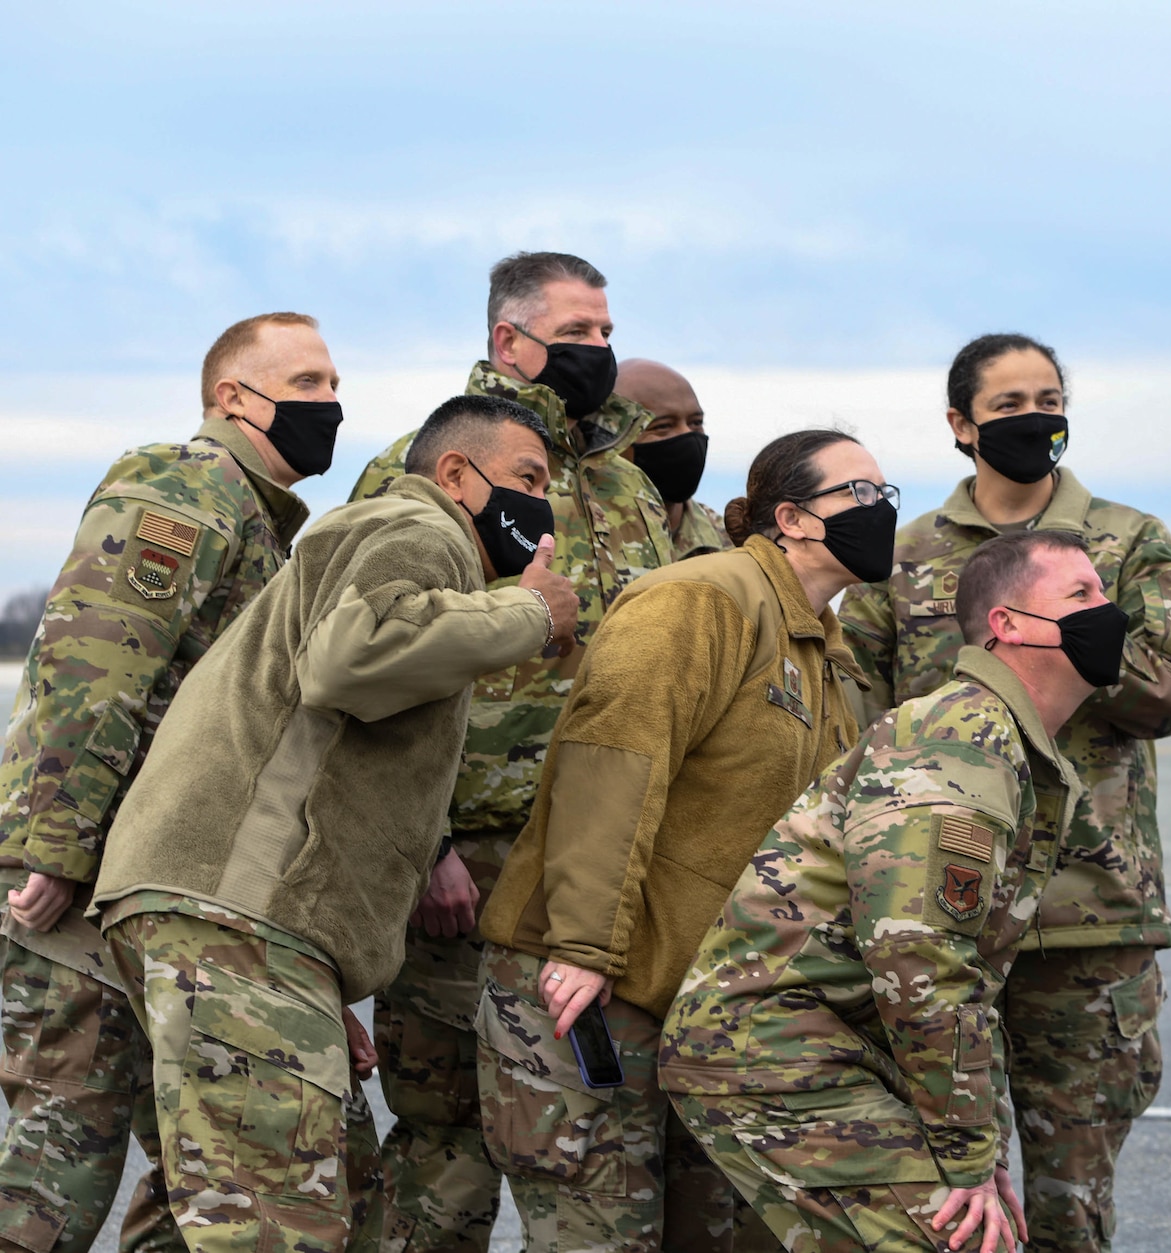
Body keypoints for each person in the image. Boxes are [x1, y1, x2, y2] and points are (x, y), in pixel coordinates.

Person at [89, 393, 580, 1252]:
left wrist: (314, 974)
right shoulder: (417, 527)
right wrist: (533, 614)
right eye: (528, 479)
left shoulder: (407, 547)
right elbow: (352, 656)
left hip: (236, 920)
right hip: (237, 916)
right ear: (458, 476)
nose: (542, 507)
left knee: (313, 1194)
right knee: (277, 1219)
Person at [838, 332, 1171, 1251]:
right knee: (945, 1198)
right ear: (962, 425)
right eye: (1008, 405)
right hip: (941, 914)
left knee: (1067, 1206)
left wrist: (1083, 634)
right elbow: (859, 719)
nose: (1034, 418)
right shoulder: (909, 555)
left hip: (1086, 914)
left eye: (1048, 398)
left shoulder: (1126, 543)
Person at [474, 429, 890, 1252]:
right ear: (794, 517)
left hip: (705, 1013)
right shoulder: (702, 598)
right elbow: (614, 764)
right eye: (862, 495)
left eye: (888, 497)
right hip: (585, 987)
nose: (881, 514)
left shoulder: (828, 657)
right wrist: (586, 946)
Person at [665, 529, 1135, 1253]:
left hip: (833, 1048)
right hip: (774, 1050)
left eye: (1103, 592)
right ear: (1009, 625)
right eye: (1081, 595)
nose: (1109, 610)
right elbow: (921, 957)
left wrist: (986, 1151)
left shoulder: (1004, 740)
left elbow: (972, 978)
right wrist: (969, 1157)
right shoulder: (960, 739)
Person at [349, 252, 673, 1253]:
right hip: (465, 867)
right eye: (577, 333)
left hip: (589, 866)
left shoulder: (625, 484)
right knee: (446, 1140)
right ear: (508, 340)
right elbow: (376, 663)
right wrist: (425, 842)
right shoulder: (427, 465)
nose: (598, 352)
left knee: (584, 1143)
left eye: (607, 334)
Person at [0, 311, 340, 1253]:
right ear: (232, 396)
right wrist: (52, 847)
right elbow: (95, 664)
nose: (330, 403)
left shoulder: (263, 526)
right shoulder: (185, 484)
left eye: (333, 384)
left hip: (160, 884)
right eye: (305, 384)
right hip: (81, 883)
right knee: (64, 1149)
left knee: (204, 1163)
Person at [616, 357, 732, 559]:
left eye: (696, 423)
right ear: (612, 439)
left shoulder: (731, 544)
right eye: (663, 426)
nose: (687, 435)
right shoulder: (573, 533)